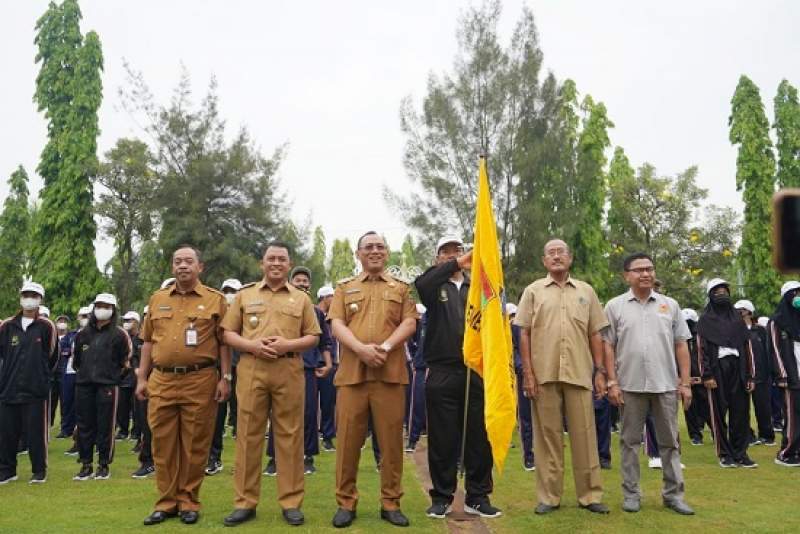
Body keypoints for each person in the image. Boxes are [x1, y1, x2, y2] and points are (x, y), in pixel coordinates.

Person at [221, 243, 321, 528]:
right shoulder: (244, 295)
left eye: (281, 259)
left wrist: (287, 345)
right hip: (252, 368)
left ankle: (291, 502)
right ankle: (245, 502)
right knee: (248, 435)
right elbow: (228, 333)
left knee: (289, 436)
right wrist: (252, 346)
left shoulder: (300, 299)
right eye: (271, 258)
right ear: (261, 263)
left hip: (288, 367)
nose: (276, 263)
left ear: (289, 265)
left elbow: (313, 336)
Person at [328, 231, 417, 528]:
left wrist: (387, 347)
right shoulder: (344, 288)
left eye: (380, 246)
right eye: (368, 247)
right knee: (347, 445)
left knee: (391, 444)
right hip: (352, 377)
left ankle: (391, 503)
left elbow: (409, 322)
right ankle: (346, 503)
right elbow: (337, 324)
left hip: (389, 376)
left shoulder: (402, 289)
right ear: (358, 254)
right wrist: (360, 350)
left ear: (387, 253)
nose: (375, 251)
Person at [136, 246, 230, 526]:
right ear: (172, 267)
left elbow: (224, 342)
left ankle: (188, 500)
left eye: (189, 261)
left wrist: (226, 378)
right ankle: (166, 503)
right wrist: (142, 377)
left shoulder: (216, 300)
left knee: (195, 443)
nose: (183, 266)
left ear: (200, 267)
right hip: (162, 379)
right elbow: (148, 341)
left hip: (199, 379)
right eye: (178, 262)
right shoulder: (157, 299)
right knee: (162, 444)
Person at [514, 239, 609, 515]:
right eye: (551, 253)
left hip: (580, 372)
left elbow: (595, 333)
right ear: (544, 261)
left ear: (570, 258)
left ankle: (590, 495)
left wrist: (600, 372)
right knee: (547, 438)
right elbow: (524, 333)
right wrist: (528, 373)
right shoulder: (533, 291)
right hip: (543, 375)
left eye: (561, 252)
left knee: (585, 436)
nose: (556, 256)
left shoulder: (586, 292)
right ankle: (549, 496)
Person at [415, 236, 500, 520]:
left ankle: (478, 496)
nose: (454, 255)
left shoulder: (479, 286)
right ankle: (441, 496)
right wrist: (455, 263)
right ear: (438, 257)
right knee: (442, 437)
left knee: (479, 436)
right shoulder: (434, 285)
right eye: (446, 252)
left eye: (459, 250)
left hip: (476, 370)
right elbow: (421, 285)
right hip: (442, 369)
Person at [603, 252, 694, 515]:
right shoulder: (614, 306)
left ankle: (673, 495)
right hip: (629, 386)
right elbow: (607, 346)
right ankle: (631, 494)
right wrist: (612, 382)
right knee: (629, 442)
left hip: (665, 385)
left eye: (650, 269)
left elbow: (681, 345)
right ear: (626, 275)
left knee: (670, 442)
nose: (646, 274)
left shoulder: (670, 305)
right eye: (639, 269)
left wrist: (685, 383)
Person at [264, 266, 332, 478]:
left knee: (309, 414)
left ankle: (307, 457)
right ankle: (275, 459)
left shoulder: (317, 312)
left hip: (308, 369)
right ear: (291, 282)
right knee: (280, 412)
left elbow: (324, 342)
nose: (302, 283)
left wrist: (328, 364)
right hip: (282, 366)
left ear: (309, 286)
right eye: (298, 280)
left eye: (305, 281)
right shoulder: (280, 309)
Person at [0, 282, 58, 485]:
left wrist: (40, 376)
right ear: (20, 297)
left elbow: (52, 357)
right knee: (7, 433)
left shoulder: (46, 326)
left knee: (36, 434)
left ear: (40, 299)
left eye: (34, 295)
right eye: (26, 294)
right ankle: (7, 471)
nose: (29, 298)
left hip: (36, 390)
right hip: (8, 388)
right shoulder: (7, 326)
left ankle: (39, 470)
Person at [697, 278, 757, 468]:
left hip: (738, 368)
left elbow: (747, 348)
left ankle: (741, 452)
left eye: (724, 291)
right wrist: (706, 375)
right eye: (717, 292)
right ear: (710, 295)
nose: (721, 294)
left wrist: (750, 375)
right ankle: (724, 453)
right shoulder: (705, 320)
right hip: (717, 369)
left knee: (741, 412)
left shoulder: (738, 319)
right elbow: (701, 349)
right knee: (718, 412)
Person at [72, 293, 131, 481]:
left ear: (113, 310)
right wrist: (85, 375)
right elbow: (77, 361)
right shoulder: (82, 335)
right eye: (99, 305)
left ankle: (103, 464)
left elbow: (125, 361)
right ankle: (86, 464)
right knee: (84, 425)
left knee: (105, 426)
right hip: (84, 385)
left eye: (106, 306)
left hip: (107, 386)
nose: (102, 309)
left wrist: (112, 377)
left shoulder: (120, 334)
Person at [205, 278, 242, 477]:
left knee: (242, 419)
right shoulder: (215, 315)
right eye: (226, 290)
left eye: (234, 291)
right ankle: (214, 458)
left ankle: (242, 461)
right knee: (217, 418)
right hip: (219, 371)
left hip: (242, 370)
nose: (230, 294)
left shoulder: (246, 315)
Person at [734, 300, 776, 447]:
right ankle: (748, 435)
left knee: (763, 407)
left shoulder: (761, 331)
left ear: (749, 312)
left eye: (742, 310)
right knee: (742, 409)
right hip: (742, 375)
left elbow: (770, 351)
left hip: (762, 375)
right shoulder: (735, 331)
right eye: (737, 310)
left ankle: (767, 435)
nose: (739, 313)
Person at [767, 281, 800, 467]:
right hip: (790, 376)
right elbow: (774, 349)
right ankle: (786, 453)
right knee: (792, 415)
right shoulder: (777, 321)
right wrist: (782, 375)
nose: (797, 296)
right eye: (794, 293)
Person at [509, 303, 534, 471]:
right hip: (525, 374)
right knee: (526, 418)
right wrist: (522, 369)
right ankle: (530, 456)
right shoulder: (515, 326)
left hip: (545, 374)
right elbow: (514, 349)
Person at [131, 306, 155, 479]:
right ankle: (148, 461)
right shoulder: (140, 339)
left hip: (172, 380)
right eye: (145, 315)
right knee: (146, 422)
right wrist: (139, 373)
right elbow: (135, 357)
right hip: (148, 383)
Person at [682, 309, 710, 445]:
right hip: (686, 379)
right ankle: (695, 435)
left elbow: (707, 357)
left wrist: (704, 375)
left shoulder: (702, 337)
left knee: (708, 406)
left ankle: (715, 432)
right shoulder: (678, 339)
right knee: (689, 407)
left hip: (703, 377)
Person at [317, 285, 338, 452]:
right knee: (310, 404)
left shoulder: (335, 317)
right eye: (333, 297)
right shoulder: (315, 314)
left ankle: (328, 436)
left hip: (332, 364)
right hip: (314, 363)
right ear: (324, 298)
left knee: (328, 402)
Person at [405, 303, 427, 453]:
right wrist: (414, 360)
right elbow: (412, 345)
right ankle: (412, 439)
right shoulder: (424, 319)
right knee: (417, 404)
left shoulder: (435, 316)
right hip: (420, 366)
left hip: (438, 366)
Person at [115, 311, 139, 442]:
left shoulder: (141, 338)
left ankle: (136, 432)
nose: (126, 323)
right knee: (122, 406)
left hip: (135, 377)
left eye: (129, 320)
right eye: (125, 320)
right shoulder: (122, 338)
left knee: (136, 408)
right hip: (123, 377)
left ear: (136, 322)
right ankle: (123, 431)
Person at [51, 315, 71, 435]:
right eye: (60, 321)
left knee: (65, 402)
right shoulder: (52, 336)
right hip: (52, 373)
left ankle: (65, 426)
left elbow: (69, 352)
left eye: (64, 321)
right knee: (51, 401)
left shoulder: (70, 337)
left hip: (64, 373)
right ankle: (49, 424)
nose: (62, 323)